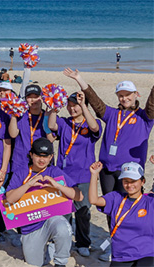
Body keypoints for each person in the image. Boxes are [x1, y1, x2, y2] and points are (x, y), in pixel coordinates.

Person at [65, 68, 154, 261]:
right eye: (121, 96)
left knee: (129, 211)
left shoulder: (145, 118)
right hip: (107, 171)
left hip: (130, 175)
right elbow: (96, 103)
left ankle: (130, 246)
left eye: (128, 95)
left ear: (136, 95)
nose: (124, 99)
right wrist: (80, 79)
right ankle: (114, 245)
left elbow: (152, 104)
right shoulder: (112, 114)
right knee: (111, 210)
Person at [5, 138, 83, 267]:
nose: (42, 160)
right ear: (31, 155)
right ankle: (50, 249)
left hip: (50, 221)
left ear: (51, 157)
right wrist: (28, 184)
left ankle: (60, 263)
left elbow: (79, 196)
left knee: (64, 228)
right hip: (30, 228)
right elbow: (9, 199)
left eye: (46, 156)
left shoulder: (54, 171)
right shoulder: (22, 171)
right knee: (35, 263)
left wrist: (58, 186)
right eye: (38, 156)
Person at [46, 91, 101, 257]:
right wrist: (54, 108)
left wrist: (84, 106)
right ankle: (63, 242)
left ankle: (83, 243)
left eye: (75, 105)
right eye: (69, 106)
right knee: (63, 211)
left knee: (83, 212)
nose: (72, 109)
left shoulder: (91, 123)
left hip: (84, 175)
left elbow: (95, 128)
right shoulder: (64, 122)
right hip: (64, 174)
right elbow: (52, 126)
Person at [88, 161, 154, 266]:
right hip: (121, 254)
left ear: (142, 181)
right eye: (126, 181)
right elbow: (93, 200)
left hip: (147, 254)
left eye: (133, 181)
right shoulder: (116, 197)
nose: (129, 185)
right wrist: (94, 174)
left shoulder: (150, 201)